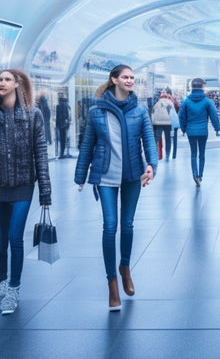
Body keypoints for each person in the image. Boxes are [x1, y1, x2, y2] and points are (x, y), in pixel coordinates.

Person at [74, 64, 158, 311]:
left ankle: (125, 267)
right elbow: (87, 145)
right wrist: (81, 175)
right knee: (110, 226)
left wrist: (152, 165)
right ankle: (112, 281)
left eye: (132, 77)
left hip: (133, 174)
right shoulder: (96, 111)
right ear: (114, 80)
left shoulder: (139, 111)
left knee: (128, 225)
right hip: (105, 176)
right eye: (125, 77)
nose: (130, 80)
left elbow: (149, 140)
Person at [0, 69, 52, 315]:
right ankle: (2, 284)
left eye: (6, 79)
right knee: (0, 241)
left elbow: (40, 154)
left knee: (14, 238)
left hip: (22, 184)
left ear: (17, 83)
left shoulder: (33, 115)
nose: (2, 82)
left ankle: (13, 289)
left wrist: (45, 194)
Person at [179, 78, 220, 187]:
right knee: (202, 154)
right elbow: (214, 116)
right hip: (203, 131)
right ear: (202, 87)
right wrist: (217, 129)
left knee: (193, 154)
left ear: (192, 87)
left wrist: (183, 129)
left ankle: (194, 174)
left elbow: (182, 117)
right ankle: (200, 175)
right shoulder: (207, 101)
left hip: (191, 131)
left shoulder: (186, 101)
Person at [151, 89, 174, 161]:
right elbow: (173, 112)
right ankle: (167, 155)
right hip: (168, 123)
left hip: (158, 123)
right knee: (168, 139)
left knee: (157, 139)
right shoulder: (170, 102)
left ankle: (154, 154)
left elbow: (153, 110)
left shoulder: (157, 102)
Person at [55, 91, 71, 157]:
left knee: (63, 139)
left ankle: (62, 153)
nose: (61, 95)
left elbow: (65, 115)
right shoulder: (63, 105)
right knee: (63, 139)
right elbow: (63, 115)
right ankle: (62, 153)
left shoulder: (63, 105)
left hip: (63, 125)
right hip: (63, 125)